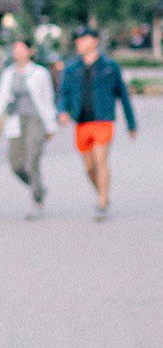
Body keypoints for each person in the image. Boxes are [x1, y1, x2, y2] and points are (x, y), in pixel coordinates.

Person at [58, 29, 138, 219]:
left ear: (94, 41)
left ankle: (103, 200)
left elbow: (123, 96)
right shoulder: (71, 68)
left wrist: (131, 123)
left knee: (101, 160)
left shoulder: (109, 66)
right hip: (81, 122)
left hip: (103, 120)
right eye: (78, 40)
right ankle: (101, 192)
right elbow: (63, 94)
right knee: (89, 167)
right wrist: (62, 111)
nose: (79, 43)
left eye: (83, 40)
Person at [0, 37, 57, 217]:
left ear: (30, 51)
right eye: (15, 49)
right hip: (16, 120)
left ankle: (36, 200)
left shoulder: (40, 73)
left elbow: (48, 100)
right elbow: (1, 96)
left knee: (33, 159)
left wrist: (51, 126)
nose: (17, 52)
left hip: (36, 120)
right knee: (16, 163)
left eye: (21, 49)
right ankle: (39, 188)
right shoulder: (9, 73)